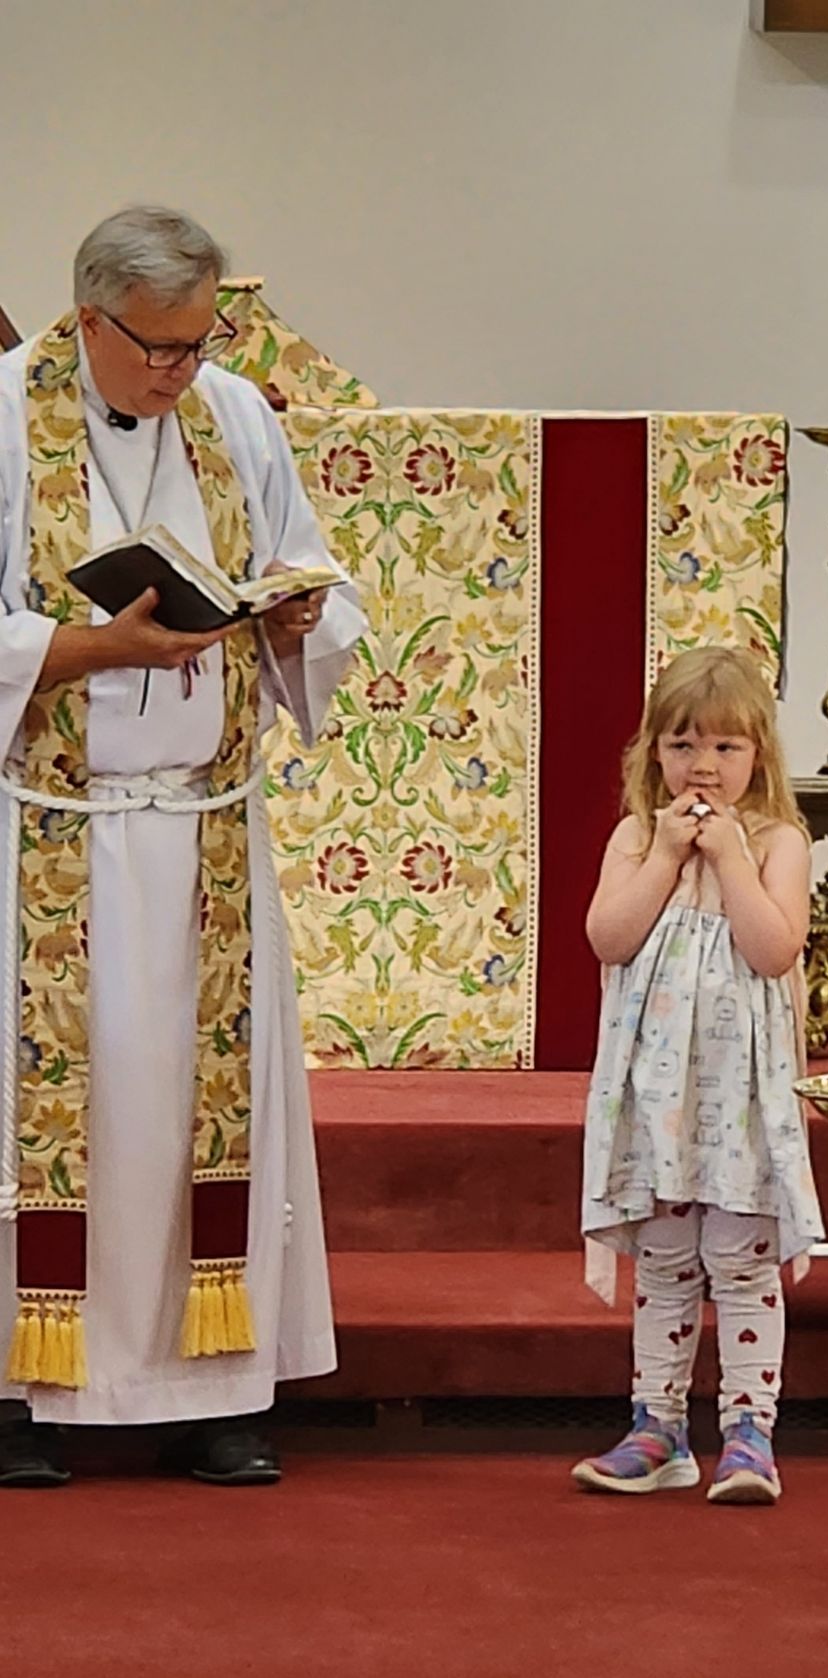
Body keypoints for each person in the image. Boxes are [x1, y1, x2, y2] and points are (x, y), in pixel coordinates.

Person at [0, 206, 366, 1487]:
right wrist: (92, 647)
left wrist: (296, 606)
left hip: (206, 842)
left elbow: (304, 562)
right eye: (154, 347)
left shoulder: (234, 411)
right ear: (86, 317)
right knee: (45, 1116)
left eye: (195, 342)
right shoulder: (3, 418)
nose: (175, 372)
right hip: (51, 848)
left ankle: (216, 1386)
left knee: (207, 1121)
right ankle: (20, 1393)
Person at [572, 646, 823, 1505]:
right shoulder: (637, 838)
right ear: (653, 755)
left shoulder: (779, 842)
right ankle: (659, 1425)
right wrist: (667, 860)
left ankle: (751, 1433)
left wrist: (731, 862)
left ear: (759, 758)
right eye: (683, 746)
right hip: (657, 1096)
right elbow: (609, 937)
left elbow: (773, 947)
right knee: (668, 1259)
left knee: (741, 1260)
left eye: (725, 748)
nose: (704, 767)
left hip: (741, 1097)